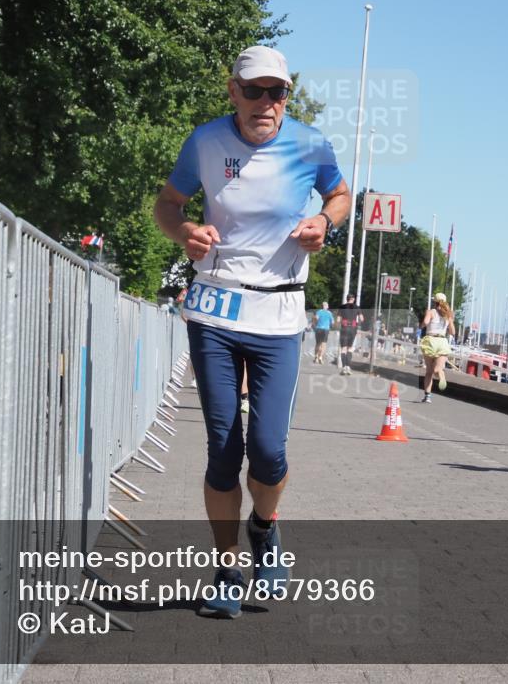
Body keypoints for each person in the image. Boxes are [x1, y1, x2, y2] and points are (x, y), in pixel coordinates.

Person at [154, 45, 351, 618]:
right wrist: (185, 231)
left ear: (287, 95)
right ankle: (226, 570)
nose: (266, 102)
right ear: (233, 92)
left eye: (277, 91)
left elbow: (340, 195)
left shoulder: (311, 144)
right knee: (223, 449)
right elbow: (168, 204)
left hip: (280, 316)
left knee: (267, 451)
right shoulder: (205, 141)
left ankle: (264, 527)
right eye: (254, 90)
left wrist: (325, 222)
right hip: (215, 310)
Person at [419, 292, 456, 403]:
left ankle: (427, 396)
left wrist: (421, 325)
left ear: (434, 302)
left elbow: (425, 322)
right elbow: (453, 332)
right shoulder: (448, 315)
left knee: (429, 371)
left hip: (430, 341)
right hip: (442, 342)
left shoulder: (431, 312)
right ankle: (441, 374)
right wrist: (449, 321)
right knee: (437, 369)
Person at [337, 294, 362, 375]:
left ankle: (344, 367)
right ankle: (348, 367)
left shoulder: (342, 307)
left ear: (347, 299)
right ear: (353, 299)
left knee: (343, 349)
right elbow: (362, 319)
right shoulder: (357, 307)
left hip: (344, 328)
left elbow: (338, 320)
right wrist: (357, 323)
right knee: (350, 348)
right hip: (353, 329)